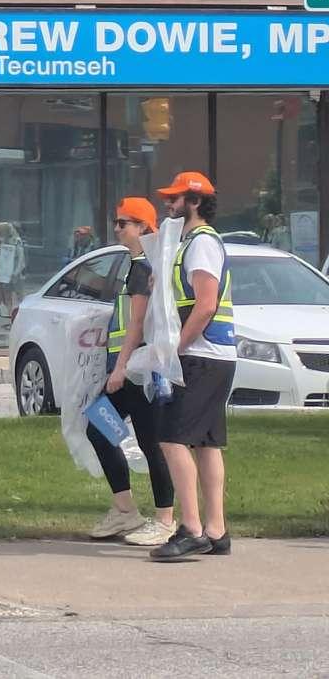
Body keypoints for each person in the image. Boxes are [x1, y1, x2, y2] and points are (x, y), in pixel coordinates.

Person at [150, 172, 236, 562]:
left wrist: (174, 349)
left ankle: (191, 529)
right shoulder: (190, 243)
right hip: (214, 356)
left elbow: (205, 305)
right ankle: (216, 531)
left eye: (175, 199)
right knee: (206, 442)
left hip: (200, 355)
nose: (168, 204)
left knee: (172, 438)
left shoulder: (201, 243)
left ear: (195, 202)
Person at [86, 198, 176, 546]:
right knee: (101, 429)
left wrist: (120, 368)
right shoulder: (137, 265)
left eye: (124, 223)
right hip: (133, 369)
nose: (117, 228)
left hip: (139, 372)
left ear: (143, 228)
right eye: (117, 221)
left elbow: (137, 325)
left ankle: (164, 519)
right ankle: (126, 509)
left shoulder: (143, 267)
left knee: (151, 443)